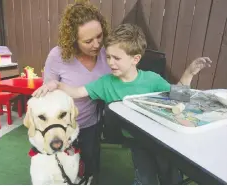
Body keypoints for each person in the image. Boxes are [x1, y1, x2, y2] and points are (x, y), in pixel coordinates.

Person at [33, 23, 212, 184]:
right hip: (135, 139)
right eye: (108, 57)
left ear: (135, 59)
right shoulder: (105, 82)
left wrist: (189, 73)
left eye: (116, 58)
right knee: (145, 176)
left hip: (159, 138)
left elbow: (178, 95)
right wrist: (55, 84)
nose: (110, 62)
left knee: (171, 175)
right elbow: (77, 92)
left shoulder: (152, 79)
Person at [38, 0, 111, 183]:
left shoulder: (106, 54)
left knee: (88, 169)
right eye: (88, 41)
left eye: (99, 36)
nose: (96, 44)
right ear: (73, 40)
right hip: (63, 128)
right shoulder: (57, 56)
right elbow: (48, 96)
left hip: (91, 125)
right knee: (62, 172)